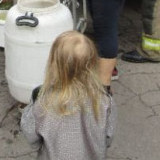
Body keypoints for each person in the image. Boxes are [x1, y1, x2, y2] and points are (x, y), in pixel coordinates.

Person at [20, 31, 116, 160]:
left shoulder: (42, 100)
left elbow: (31, 135)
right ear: (93, 64)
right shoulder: (104, 100)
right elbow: (108, 137)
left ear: (54, 64)